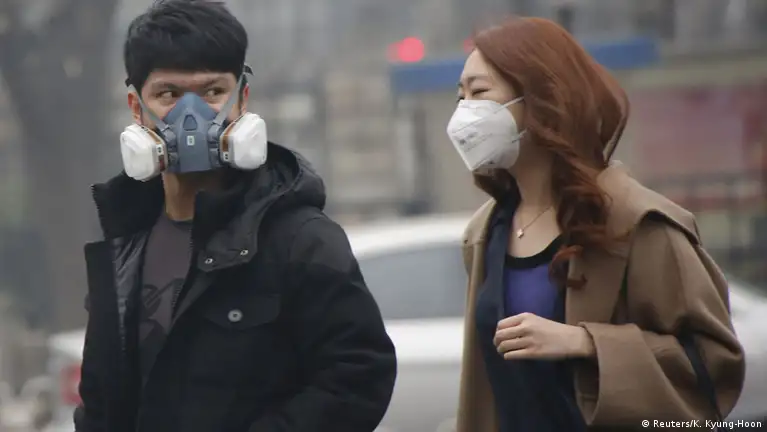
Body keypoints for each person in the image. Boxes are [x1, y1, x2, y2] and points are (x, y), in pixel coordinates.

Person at [74, 1, 396, 431]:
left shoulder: (299, 240)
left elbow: (358, 378)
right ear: (136, 107)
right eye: (169, 95)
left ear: (242, 98)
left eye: (212, 92)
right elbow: (100, 402)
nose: (192, 117)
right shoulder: (124, 246)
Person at [447, 17, 745, 431]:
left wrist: (587, 342)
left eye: (479, 93)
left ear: (544, 100)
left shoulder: (637, 222)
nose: (464, 113)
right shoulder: (485, 233)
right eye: (460, 96)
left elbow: (714, 365)